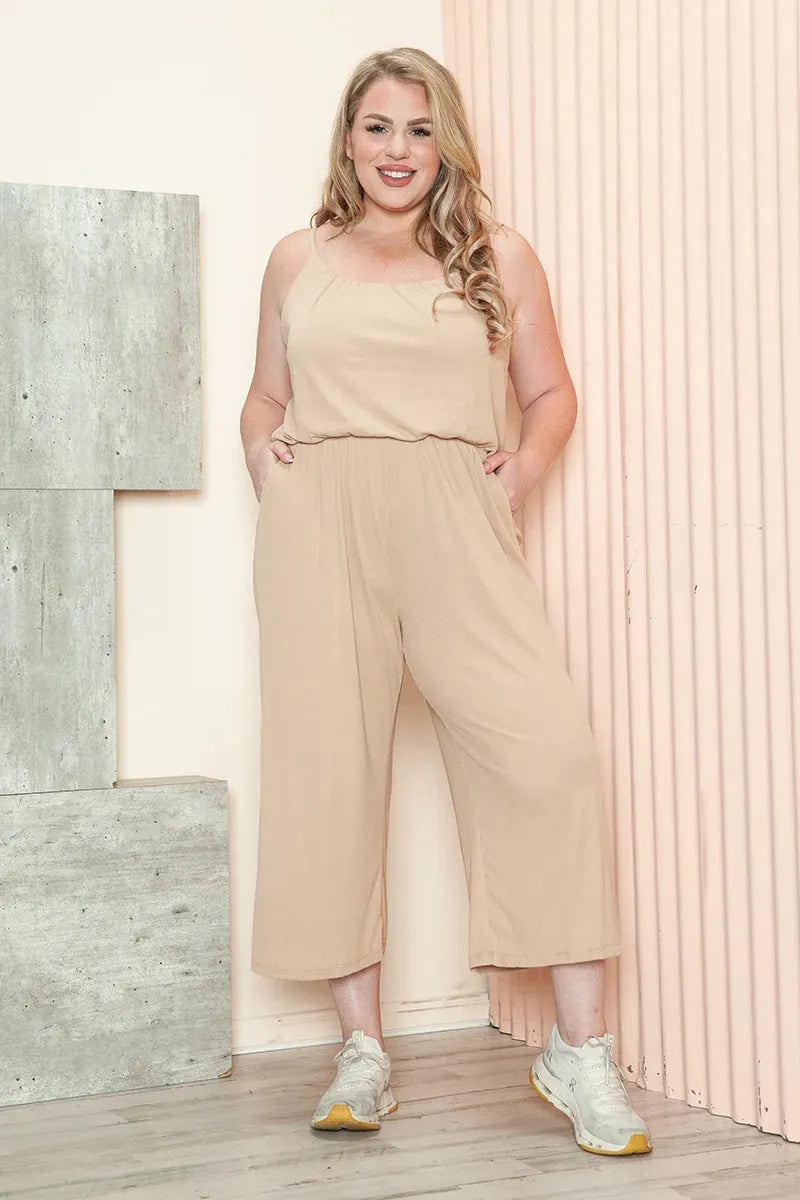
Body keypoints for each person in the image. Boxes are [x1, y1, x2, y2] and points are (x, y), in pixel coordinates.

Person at [240, 47, 651, 1156]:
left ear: (446, 143)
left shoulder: (496, 255)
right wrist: (270, 468)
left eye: (419, 129)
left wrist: (517, 475)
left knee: (548, 759)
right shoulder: (297, 259)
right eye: (377, 127)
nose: (396, 150)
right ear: (347, 139)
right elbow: (264, 398)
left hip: (456, 521)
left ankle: (580, 1053)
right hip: (320, 526)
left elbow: (550, 393)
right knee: (329, 777)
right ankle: (362, 1051)